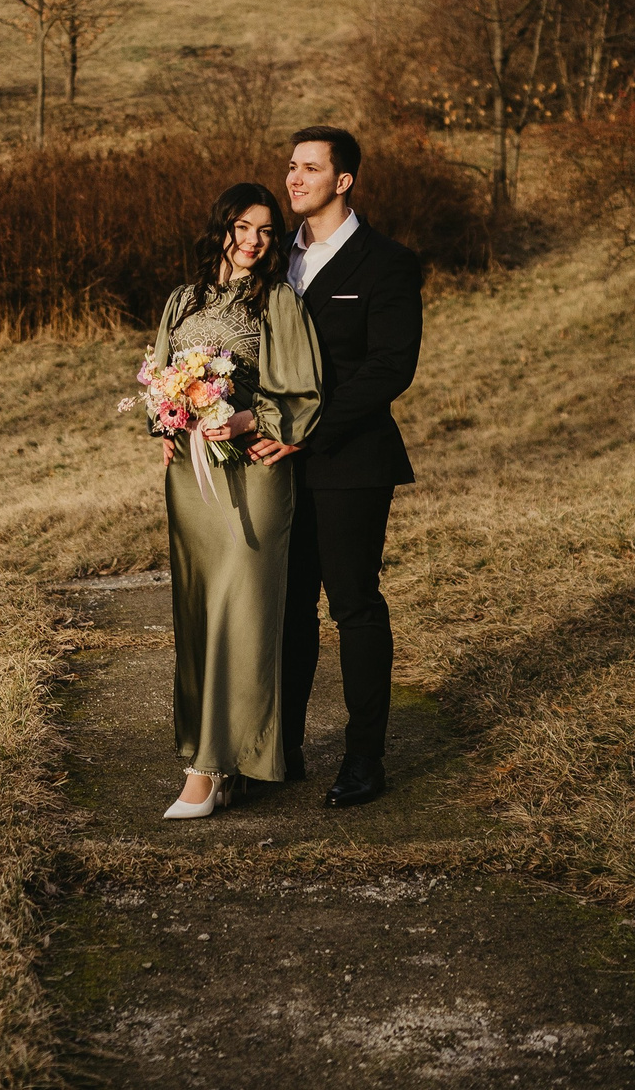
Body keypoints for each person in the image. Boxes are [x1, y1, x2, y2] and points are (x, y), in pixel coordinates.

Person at [248, 125, 423, 809]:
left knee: (353, 605)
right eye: (291, 166)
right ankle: (281, 749)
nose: (293, 179)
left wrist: (303, 428)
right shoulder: (273, 260)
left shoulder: (387, 263)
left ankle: (364, 758)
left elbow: (390, 368)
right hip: (273, 467)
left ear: (343, 179)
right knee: (288, 610)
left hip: (352, 461)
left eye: (310, 168)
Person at [147, 182, 324, 820]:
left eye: (266, 231)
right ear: (221, 227)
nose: (252, 242)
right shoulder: (181, 299)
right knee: (198, 612)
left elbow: (303, 388)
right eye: (241, 228)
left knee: (243, 613)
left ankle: (215, 766)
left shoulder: (277, 301)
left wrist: (249, 420)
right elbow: (158, 375)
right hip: (193, 484)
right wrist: (167, 423)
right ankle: (214, 761)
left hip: (253, 475)